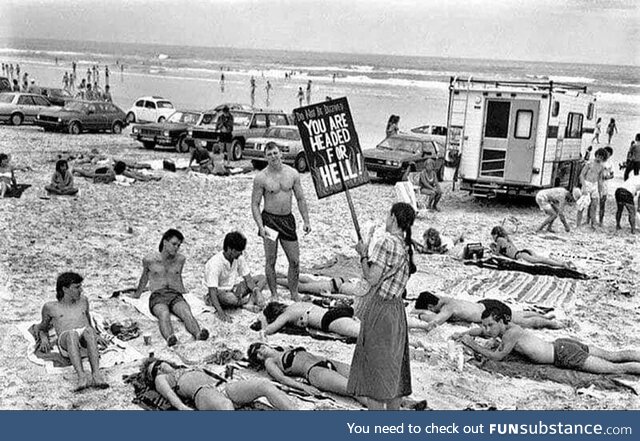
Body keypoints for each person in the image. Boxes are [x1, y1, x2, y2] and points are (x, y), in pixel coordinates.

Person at [348, 202, 416, 410]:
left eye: (388, 215)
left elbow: (372, 277)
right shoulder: (406, 245)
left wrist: (363, 254)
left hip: (381, 309)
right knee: (393, 374)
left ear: (394, 218)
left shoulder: (386, 242)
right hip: (397, 310)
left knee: (375, 375)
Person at [454, 305, 640, 375]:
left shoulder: (511, 334)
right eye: (484, 325)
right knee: (612, 355)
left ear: (502, 322)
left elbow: (497, 357)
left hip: (563, 354)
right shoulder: (507, 329)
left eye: (489, 325)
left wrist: (472, 345)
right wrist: (468, 333)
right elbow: (483, 332)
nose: (486, 330)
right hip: (562, 345)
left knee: (616, 369)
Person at [128, 229, 209, 346]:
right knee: (164, 314)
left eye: (178, 245)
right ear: (165, 242)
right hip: (158, 295)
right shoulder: (149, 260)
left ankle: (198, 334)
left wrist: (185, 293)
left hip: (174, 293)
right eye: (174, 244)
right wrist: (137, 295)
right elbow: (144, 278)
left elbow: (178, 276)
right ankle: (170, 338)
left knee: (186, 312)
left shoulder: (180, 260)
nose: (176, 248)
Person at [251, 143, 311, 301]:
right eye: (269, 154)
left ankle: (294, 293)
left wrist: (306, 220)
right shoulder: (261, 178)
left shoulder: (292, 174)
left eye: (275, 153)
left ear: (281, 154)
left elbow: (300, 198)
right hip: (270, 222)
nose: (273, 156)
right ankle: (274, 294)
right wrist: (260, 226)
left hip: (287, 221)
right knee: (271, 259)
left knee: (295, 261)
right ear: (265, 157)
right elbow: (255, 204)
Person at [36, 272, 109, 391]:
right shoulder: (50, 307)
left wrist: (97, 335)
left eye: (80, 286)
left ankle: (96, 375)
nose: (81, 290)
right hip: (66, 340)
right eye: (77, 287)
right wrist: (44, 339)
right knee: (72, 334)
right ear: (65, 289)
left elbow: (88, 321)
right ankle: (82, 377)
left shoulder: (84, 301)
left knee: (89, 331)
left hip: (84, 341)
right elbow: (43, 328)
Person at [140, 357, 295, 410]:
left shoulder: (183, 367)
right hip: (202, 393)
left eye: (159, 363)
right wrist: (182, 408)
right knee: (226, 406)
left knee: (264, 385)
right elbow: (169, 395)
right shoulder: (161, 379)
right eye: (156, 370)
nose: (160, 368)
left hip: (222, 386)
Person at [247, 342, 365, 403]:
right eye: (256, 353)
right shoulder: (270, 362)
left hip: (327, 361)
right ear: (259, 359)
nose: (259, 349)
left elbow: (264, 338)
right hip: (315, 372)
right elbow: (282, 379)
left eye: (258, 346)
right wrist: (304, 387)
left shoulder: (282, 348)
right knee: (354, 390)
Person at [412, 292, 566, 331]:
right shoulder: (444, 299)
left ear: (431, 307)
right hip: (485, 305)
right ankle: (545, 316)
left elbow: (435, 322)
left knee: (525, 323)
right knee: (517, 314)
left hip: (491, 310)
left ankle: (553, 324)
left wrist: (418, 314)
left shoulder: (447, 308)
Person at [203, 231, 266, 322]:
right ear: (229, 249)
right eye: (238, 251)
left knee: (261, 278)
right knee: (231, 298)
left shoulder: (238, 257)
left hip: (233, 288)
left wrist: (257, 292)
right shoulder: (215, 264)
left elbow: (248, 279)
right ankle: (244, 303)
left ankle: (249, 303)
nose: (240, 254)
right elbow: (212, 291)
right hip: (218, 293)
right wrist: (221, 313)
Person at [251, 301, 360, 338]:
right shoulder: (296, 305)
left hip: (329, 320)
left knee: (364, 335)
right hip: (336, 312)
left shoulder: (286, 315)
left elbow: (270, 329)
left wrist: (263, 323)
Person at [490, 226, 574, 269]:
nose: (493, 238)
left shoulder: (499, 240)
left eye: (493, 236)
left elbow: (497, 254)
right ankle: (562, 262)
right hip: (522, 252)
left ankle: (562, 264)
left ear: (495, 235)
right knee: (541, 258)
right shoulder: (506, 238)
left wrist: (493, 248)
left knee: (541, 260)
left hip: (520, 255)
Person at [578, 147, 606, 229]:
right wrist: (583, 186)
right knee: (582, 205)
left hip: (595, 185)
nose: (599, 158)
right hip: (587, 183)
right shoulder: (589, 163)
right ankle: (578, 224)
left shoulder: (601, 166)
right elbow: (582, 175)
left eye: (601, 157)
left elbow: (600, 180)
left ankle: (593, 224)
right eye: (598, 156)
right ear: (596, 155)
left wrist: (600, 191)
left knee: (594, 205)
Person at [598, 146, 614, 226]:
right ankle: (589, 219)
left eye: (608, 153)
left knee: (602, 203)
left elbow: (612, 175)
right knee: (592, 202)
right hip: (596, 183)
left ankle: (601, 221)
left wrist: (607, 177)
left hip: (605, 184)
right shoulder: (598, 161)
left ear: (610, 155)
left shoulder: (610, 164)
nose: (606, 155)